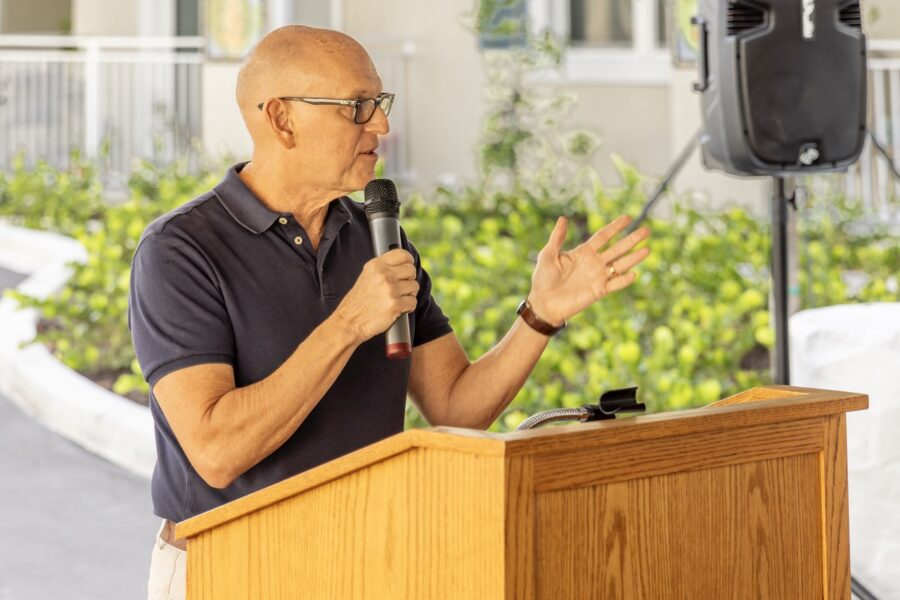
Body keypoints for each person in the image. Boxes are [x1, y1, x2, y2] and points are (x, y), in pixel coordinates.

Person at [129, 25, 650, 600]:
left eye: (379, 104)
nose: (380, 126)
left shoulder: (377, 237)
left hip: (364, 555)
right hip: (229, 568)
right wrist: (349, 324)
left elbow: (455, 406)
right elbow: (217, 453)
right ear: (281, 119)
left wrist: (540, 315)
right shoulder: (180, 250)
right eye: (358, 107)